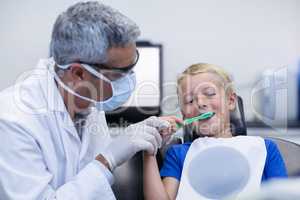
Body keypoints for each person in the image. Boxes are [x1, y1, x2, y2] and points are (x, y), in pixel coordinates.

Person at [0, 1, 180, 200]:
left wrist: (138, 137)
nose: (131, 80)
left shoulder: (87, 99)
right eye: (121, 73)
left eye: (133, 66)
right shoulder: (12, 120)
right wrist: (108, 159)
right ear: (78, 73)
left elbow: (89, 178)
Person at [143, 63, 287, 200]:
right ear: (184, 114)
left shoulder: (265, 149)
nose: (200, 103)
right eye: (189, 101)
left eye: (210, 94)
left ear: (230, 101)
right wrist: (150, 149)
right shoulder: (178, 154)